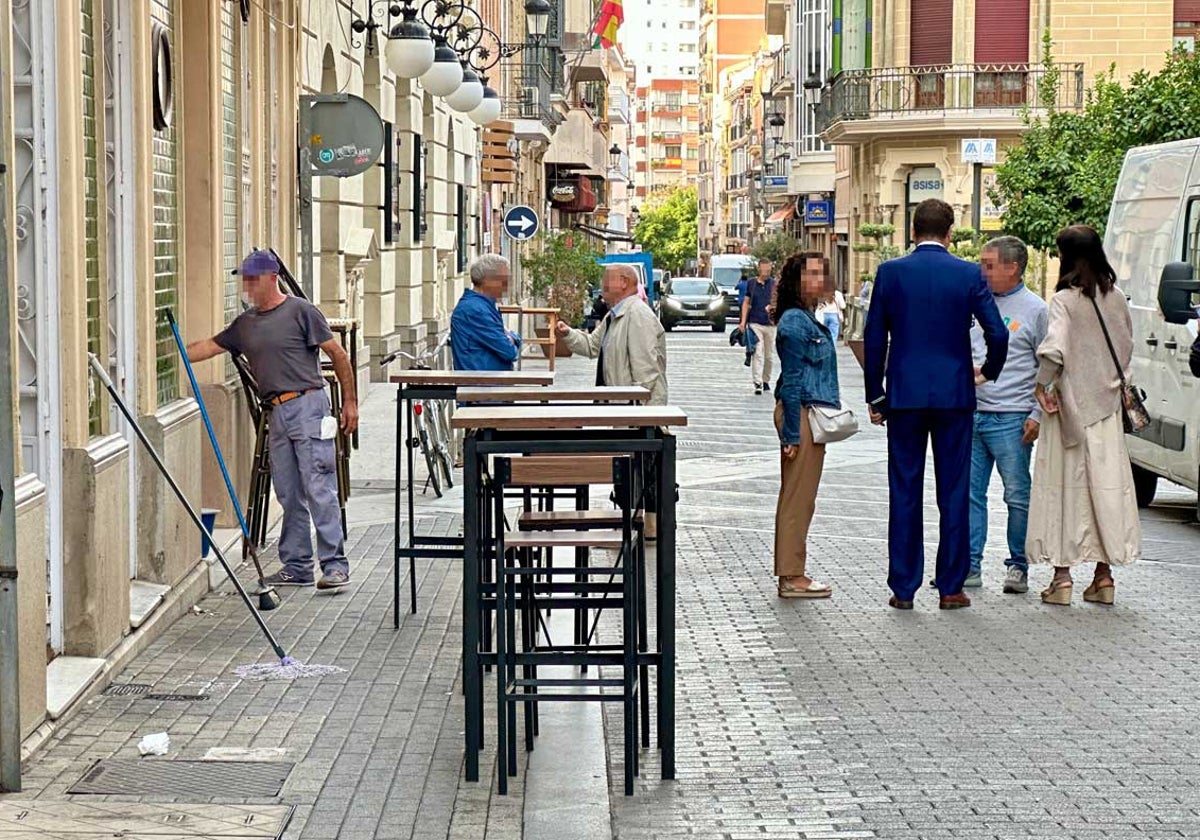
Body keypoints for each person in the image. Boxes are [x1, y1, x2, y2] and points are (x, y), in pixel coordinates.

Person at [863, 199, 1009, 610]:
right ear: (950, 233)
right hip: (954, 395)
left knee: (905, 489)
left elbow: (875, 337)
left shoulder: (891, 273)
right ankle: (950, 586)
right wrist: (987, 371)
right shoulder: (967, 274)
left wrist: (876, 393)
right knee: (955, 490)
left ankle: (904, 588)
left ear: (912, 231)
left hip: (905, 395)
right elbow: (997, 333)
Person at [186, 249, 357, 589]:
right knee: (288, 492)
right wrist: (167, 350)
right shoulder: (245, 325)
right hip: (276, 412)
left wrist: (349, 403)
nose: (247, 287)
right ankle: (297, 565)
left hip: (309, 405)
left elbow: (337, 354)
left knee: (319, 486)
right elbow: (208, 347)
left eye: (252, 279)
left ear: (270, 277)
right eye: (244, 280)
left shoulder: (301, 312)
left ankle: (335, 566)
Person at [1027, 225, 1142, 606]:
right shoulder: (1118, 298)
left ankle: (1062, 579)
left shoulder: (1064, 300)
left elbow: (1054, 350)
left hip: (1070, 412)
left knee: (1065, 491)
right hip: (1107, 410)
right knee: (1105, 492)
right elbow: (1126, 350)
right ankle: (1104, 577)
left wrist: (1043, 386)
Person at [556, 264, 668, 536]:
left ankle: (648, 527)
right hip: (622, 410)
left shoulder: (637, 314)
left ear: (626, 282)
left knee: (643, 467)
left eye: (608, 281)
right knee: (631, 467)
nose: (602, 286)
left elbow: (646, 370)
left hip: (637, 411)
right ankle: (634, 520)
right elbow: (592, 347)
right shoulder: (613, 316)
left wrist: (634, 407)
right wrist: (568, 334)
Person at [967, 236, 1048, 595]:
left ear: (1012, 268)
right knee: (969, 494)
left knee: (1016, 495)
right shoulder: (972, 304)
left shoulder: (1036, 310)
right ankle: (969, 565)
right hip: (971, 414)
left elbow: (1049, 368)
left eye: (988, 264)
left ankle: (1018, 564)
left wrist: (1036, 414)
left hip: (1012, 418)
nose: (981, 271)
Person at [773, 253, 840, 599]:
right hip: (800, 414)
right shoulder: (796, 323)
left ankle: (792, 572)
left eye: (822, 273)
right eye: (812, 274)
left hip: (804, 413)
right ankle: (792, 575)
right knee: (798, 500)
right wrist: (791, 435)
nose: (820, 279)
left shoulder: (806, 318)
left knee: (800, 498)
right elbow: (793, 379)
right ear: (797, 282)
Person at [450, 254, 521, 371]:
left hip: (490, 382)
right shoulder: (475, 310)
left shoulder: (483, 306)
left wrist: (511, 336)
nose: (507, 286)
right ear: (487, 280)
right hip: (481, 383)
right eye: (503, 280)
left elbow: (511, 342)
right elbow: (509, 351)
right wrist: (510, 336)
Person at [740, 258, 777, 395]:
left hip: (771, 324)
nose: (767, 272)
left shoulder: (774, 284)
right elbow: (746, 302)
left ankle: (766, 379)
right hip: (755, 323)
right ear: (759, 269)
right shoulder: (752, 284)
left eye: (769, 269)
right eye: (765, 269)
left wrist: (773, 307)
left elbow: (779, 302)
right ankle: (757, 382)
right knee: (758, 352)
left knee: (769, 356)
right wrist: (743, 322)